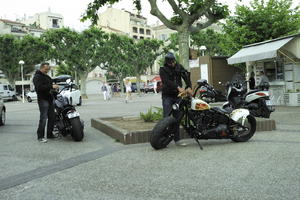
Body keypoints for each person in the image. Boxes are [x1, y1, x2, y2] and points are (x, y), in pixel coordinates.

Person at [159, 52, 193, 147]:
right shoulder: (163, 70)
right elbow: (166, 81)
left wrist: (189, 86)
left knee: (177, 117)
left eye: (174, 61)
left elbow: (186, 75)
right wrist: (178, 87)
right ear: (167, 63)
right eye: (171, 63)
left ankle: (177, 140)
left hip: (178, 96)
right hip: (167, 96)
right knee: (167, 117)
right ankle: (163, 139)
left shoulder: (179, 67)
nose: (173, 64)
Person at [33, 63, 59, 143]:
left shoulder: (47, 77)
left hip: (50, 99)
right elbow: (39, 88)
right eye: (46, 69)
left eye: (48, 69)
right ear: (41, 68)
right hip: (42, 99)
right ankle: (40, 136)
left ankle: (49, 134)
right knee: (43, 118)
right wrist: (51, 86)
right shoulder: (37, 77)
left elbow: (50, 87)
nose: (47, 71)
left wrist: (54, 90)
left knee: (52, 117)